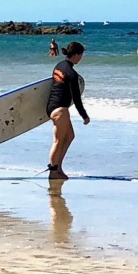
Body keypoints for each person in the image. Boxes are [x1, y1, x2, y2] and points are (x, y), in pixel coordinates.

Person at [46, 41, 88, 177]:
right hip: (60, 110)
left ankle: (58, 167)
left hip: (52, 106)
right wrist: (84, 116)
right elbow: (76, 99)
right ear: (76, 54)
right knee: (58, 141)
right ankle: (53, 171)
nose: (81, 57)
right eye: (81, 54)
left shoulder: (59, 66)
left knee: (70, 136)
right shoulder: (72, 74)